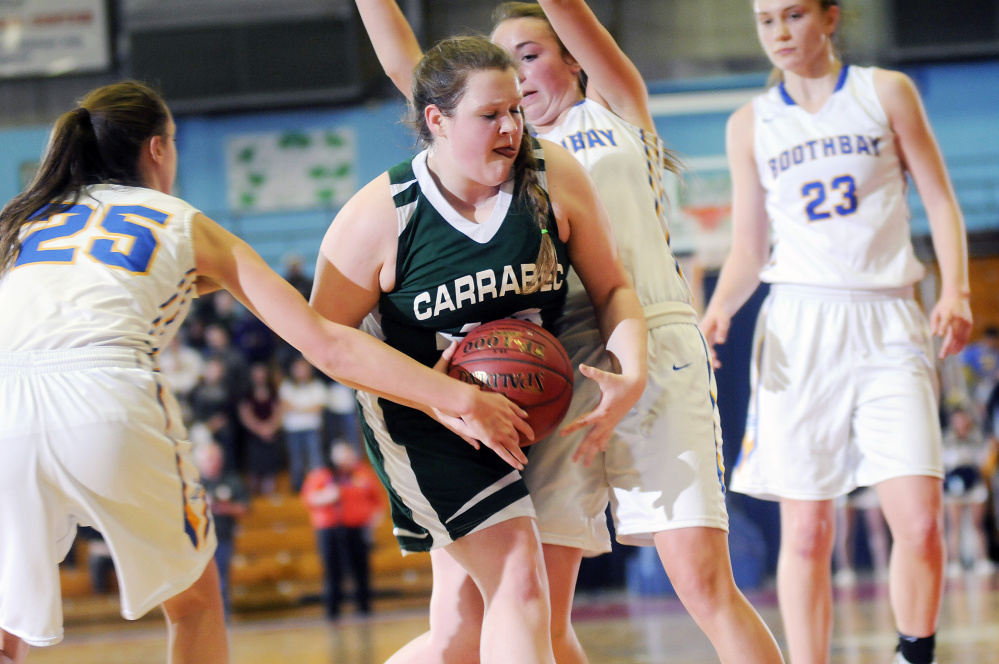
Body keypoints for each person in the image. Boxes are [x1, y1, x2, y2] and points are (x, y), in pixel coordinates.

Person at [0, 80, 534, 664]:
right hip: (104, 397)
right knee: (195, 608)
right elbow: (326, 344)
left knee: (8, 625)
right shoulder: (182, 221)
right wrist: (459, 398)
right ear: (158, 149)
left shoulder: (24, 224)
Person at [352, 2, 783, 663]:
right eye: (502, 67)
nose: (516, 79)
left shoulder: (614, 109)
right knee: (538, 609)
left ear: (574, 57)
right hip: (545, 365)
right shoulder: (508, 150)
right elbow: (409, 71)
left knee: (700, 580)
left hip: (650, 339)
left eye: (529, 56)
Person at [310, 34, 648, 664]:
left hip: (526, 414)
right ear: (436, 120)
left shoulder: (551, 177)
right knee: (521, 582)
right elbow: (325, 341)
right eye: (489, 115)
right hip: (423, 422)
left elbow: (613, 288)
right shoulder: (383, 213)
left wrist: (631, 367)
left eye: (516, 110)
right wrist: (447, 397)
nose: (511, 128)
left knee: (464, 632)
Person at [699, 2, 974, 663]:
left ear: (829, 16)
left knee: (918, 523)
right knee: (805, 532)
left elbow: (938, 199)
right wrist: (718, 310)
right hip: (798, 323)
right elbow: (747, 248)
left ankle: (913, 654)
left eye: (793, 15)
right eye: (766, 21)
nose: (780, 33)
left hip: (887, 318)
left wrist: (958, 287)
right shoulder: (750, 124)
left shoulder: (884, 92)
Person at [301, 440, 385, 619]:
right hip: (330, 529)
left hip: (357, 528)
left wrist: (373, 522)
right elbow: (309, 499)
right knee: (333, 570)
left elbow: (377, 501)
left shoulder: (362, 473)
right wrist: (326, 496)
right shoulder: (322, 474)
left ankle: (364, 609)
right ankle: (333, 611)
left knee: (361, 569)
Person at [193, 441, 250, 619]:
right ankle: (201, 617)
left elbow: (245, 508)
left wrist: (219, 507)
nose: (212, 463)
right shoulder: (192, 484)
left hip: (222, 538)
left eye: (215, 458)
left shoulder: (231, 481)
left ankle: (221, 618)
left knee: (221, 579)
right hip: (196, 542)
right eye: (208, 459)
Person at [941, 407, 996, 577]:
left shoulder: (978, 436)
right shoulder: (946, 438)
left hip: (974, 484)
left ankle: (982, 560)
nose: (961, 422)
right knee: (954, 525)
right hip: (953, 486)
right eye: (957, 419)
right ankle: (954, 563)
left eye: (963, 418)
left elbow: (985, 459)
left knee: (977, 524)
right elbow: (943, 460)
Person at [280, 355, 329, 492]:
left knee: (315, 458)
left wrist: (296, 407)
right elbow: (285, 406)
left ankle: (319, 486)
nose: (300, 371)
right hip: (292, 429)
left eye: (303, 368)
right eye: (297, 369)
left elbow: (318, 409)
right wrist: (307, 408)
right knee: (296, 460)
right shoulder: (287, 385)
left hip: (312, 428)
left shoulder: (317, 385)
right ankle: (297, 488)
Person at [238, 362, 283, 495]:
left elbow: (278, 411)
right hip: (254, 435)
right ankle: (253, 493)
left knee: (271, 463)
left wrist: (271, 427)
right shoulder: (247, 393)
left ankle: (269, 492)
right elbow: (245, 415)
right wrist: (261, 430)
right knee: (254, 463)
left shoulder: (273, 391)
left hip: (271, 433)